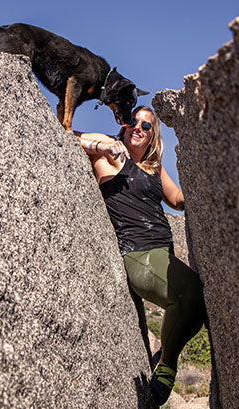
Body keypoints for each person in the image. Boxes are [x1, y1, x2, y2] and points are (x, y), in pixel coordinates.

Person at [75, 106, 206, 406]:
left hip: (165, 250)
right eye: (133, 121)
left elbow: (177, 200)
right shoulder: (112, 154)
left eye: (146, 126)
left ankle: (163, 353)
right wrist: (103, 143)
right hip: (139, 253)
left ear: (152, 136)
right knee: (190, 296)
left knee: (198, 308)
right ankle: (168, 367)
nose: (138, 127)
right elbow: (71, 135)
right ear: (124, 125)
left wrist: (207, 184)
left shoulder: (155, 167)